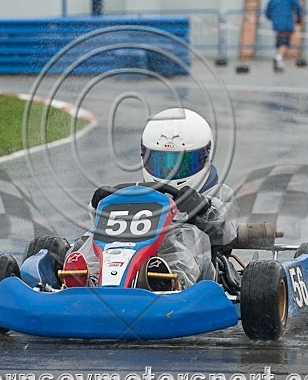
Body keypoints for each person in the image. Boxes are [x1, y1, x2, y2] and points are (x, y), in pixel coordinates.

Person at [66, 108, 239, 289]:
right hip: (133, 253)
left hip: (198, 268)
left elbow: (227, 231)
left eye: (183, 163)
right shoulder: (139, 194)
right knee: (97, 235)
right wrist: (100, 205)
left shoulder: (217, 192)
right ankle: (85, 278)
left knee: (191, 236)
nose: (171, 172)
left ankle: (170, 282)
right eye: (161, 163)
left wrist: (203, 210)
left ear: (204, 157)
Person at [265, 0, 303, 72]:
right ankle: (278, 58)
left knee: (279, 43)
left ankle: (279, 61)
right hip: (286, 23)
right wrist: (298, 18)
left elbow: (268, 10)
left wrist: (271, 17)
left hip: (276, 23)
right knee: (284, 43)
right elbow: (297, 6)